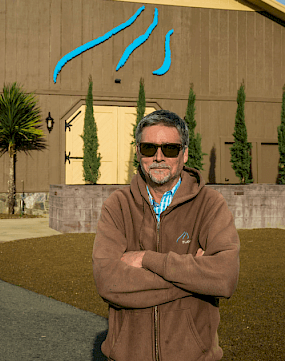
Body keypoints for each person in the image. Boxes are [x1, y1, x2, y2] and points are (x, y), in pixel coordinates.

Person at [92, 110, 240, 361]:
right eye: (149, 148)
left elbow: (224, 277)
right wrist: (195, 279)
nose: (158, 157)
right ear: (138, 152)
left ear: (184, 154)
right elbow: (108, 282)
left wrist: (147, 260)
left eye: (170, 149)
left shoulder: (210, 204)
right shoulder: (117, 205)